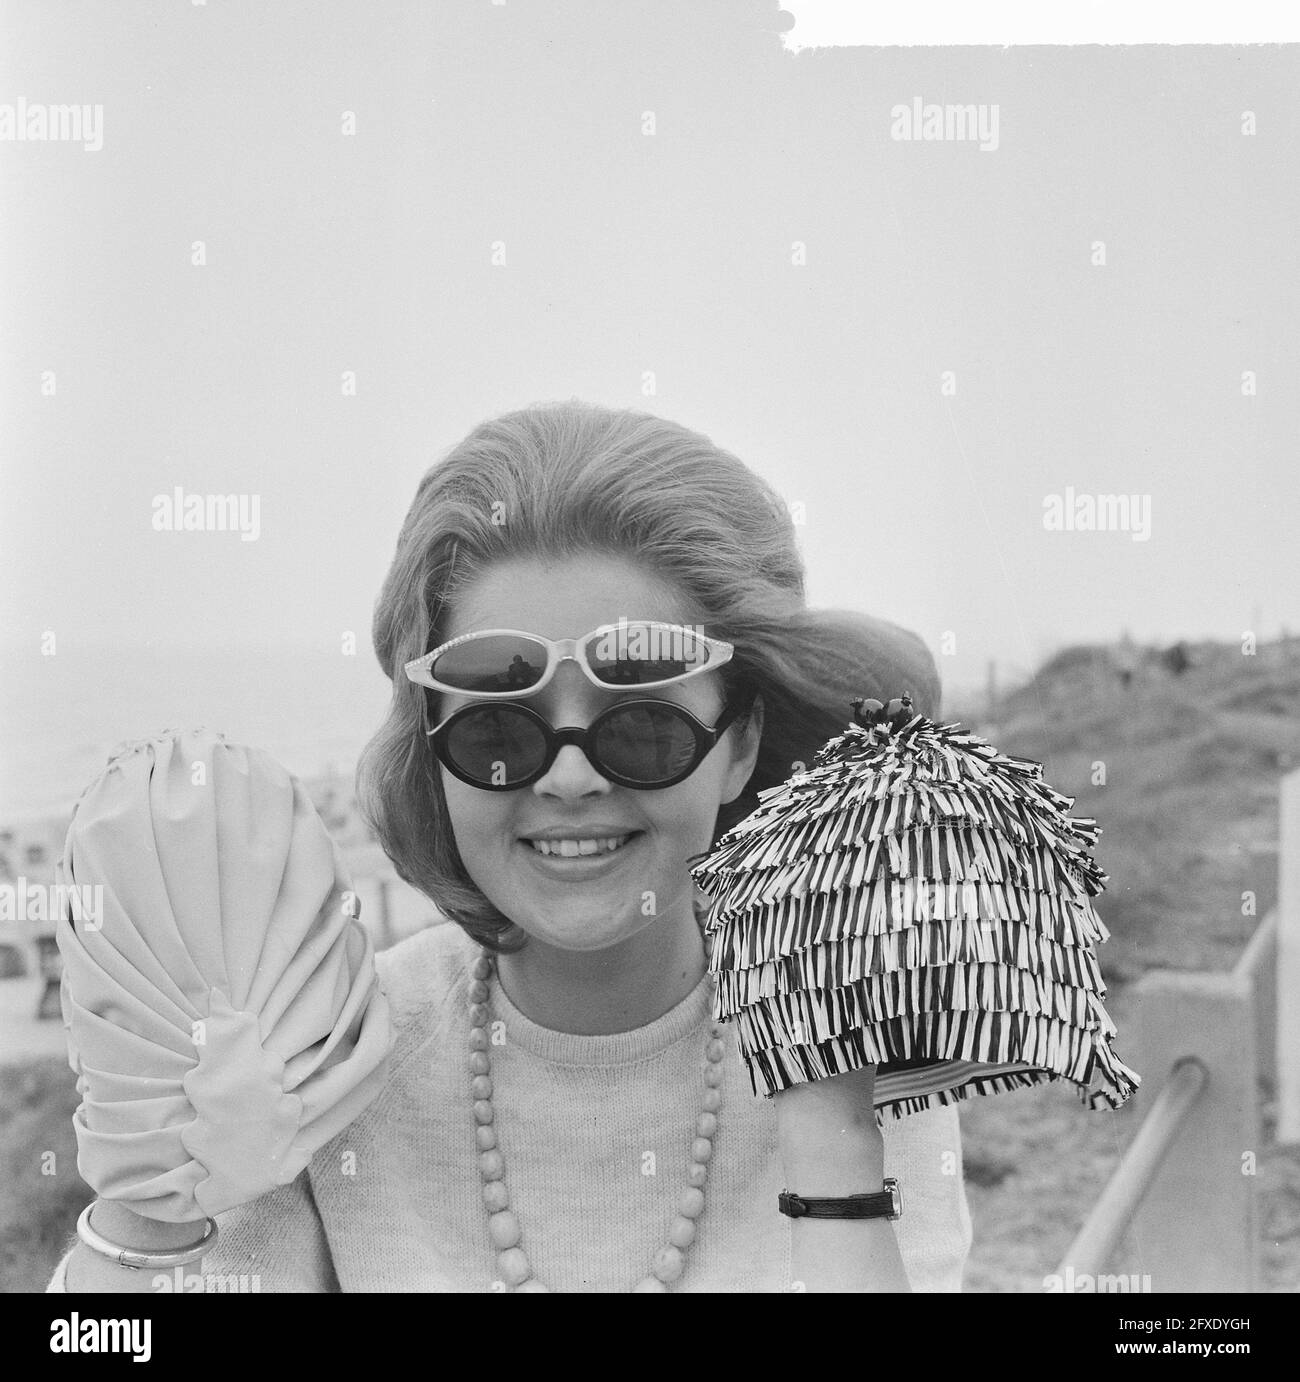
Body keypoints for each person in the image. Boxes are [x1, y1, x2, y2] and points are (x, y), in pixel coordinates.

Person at [52, 400, 972, 1292]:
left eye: (643, 721)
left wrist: (835, 1151)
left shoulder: (853, 1044)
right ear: (434, 754)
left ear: (737, 746)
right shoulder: (328, 1066)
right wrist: (153, 1207)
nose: (569, 781)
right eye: (499, 731)